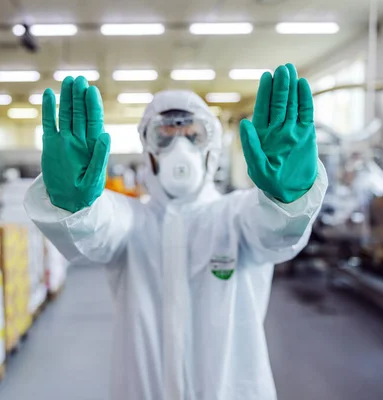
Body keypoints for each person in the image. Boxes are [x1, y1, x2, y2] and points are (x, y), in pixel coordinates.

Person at [24, 63, 327, 400]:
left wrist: (286, 199)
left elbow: (276, 233)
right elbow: (96, 227)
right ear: (148, 149)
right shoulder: (130, 220)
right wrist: (75, 205)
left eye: (193, 134)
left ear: (209, 146)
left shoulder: (238, 215)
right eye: (164, 135)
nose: (179, 148)